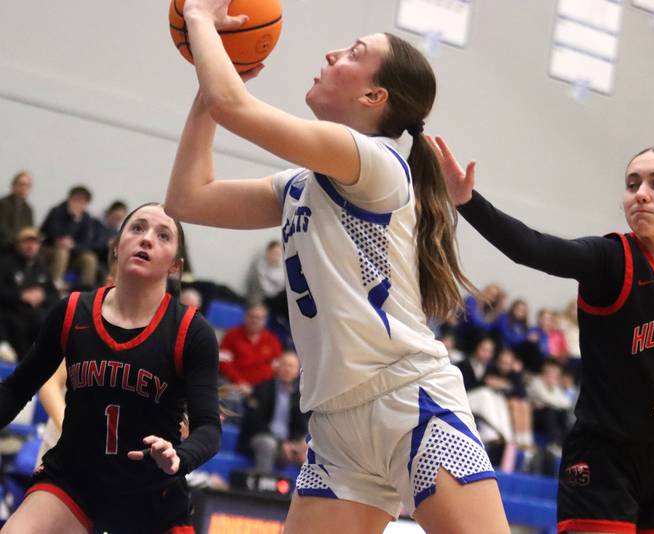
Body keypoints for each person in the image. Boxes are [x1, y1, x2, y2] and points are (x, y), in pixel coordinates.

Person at [166, 3, 508, 532]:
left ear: (374, 97)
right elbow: (188, 199)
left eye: (353, 53)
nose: (331, 53)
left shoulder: (373, 160)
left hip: (410, 402)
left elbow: (234, 105)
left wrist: (204, 27)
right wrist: (205, 93)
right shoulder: (300, 183)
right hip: (334, 424)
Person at [429, 137, 654, 534]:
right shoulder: (610, 259)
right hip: (605, 458)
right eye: (632, 184)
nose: (640, 194)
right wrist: (468, 202)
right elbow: (531, 248)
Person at [0, 203, 221, 533]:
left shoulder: (192, 331)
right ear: (116, 246)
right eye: (137, 228)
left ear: (175, 265)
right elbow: (17, 388)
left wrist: (180, 456)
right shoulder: (73, 311)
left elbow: (209, 428)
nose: (147, 239)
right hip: (73, 482)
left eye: (163, 235)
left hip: (151, 496)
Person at [237, 351, 308, 473]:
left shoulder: (300, 396)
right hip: (260, 438)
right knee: (268, 444)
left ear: (297, 371)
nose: (287, 369)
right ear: (277, 367)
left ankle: (305, 490)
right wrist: (281, 443)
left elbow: (301, 426)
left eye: (291, 366)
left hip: (287, 444)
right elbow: (255, 423)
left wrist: (295, 443)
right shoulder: (262, 388)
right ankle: (264, 488)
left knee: (308, 450)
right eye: (284, 365)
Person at [0, 227, 59, 359]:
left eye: (35, 243)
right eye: (26, 242)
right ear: (17, 244)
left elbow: (54, 296)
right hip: (12, 317)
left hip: (36, 320)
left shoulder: (42, 268)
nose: (31, 246)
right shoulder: (5, 264)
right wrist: (21, 296)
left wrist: (42, 296)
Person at [39, 185, 98, 290]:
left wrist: (73, 245)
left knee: (90, 258)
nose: (78, 204)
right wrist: (72, 220)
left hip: (73, 252)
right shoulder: (57, 211)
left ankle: (85, 290)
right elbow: (49, 231)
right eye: (76, 200)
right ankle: (55, 287)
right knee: (62, 252)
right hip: (51, 248)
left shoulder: (86, 218)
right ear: (69, 199)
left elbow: (86, 243)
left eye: (82, 201)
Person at [218, 303, 283, 395]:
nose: (255, 320)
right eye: (252, 316)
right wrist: (240, 382)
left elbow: (276, 367)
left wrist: (260, 387)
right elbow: (223, 363)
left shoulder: (272, 340)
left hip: (262, 389)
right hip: (233, 384)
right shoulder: (232, 335)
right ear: (245, 317)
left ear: (265, 321)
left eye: (259, 318)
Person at [0, 171, 34, 252]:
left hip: (23, 246)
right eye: (21, 184)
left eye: (27, 185)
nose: (24, 188)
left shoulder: (28, 209)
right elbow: (2, 229)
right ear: (13, 186)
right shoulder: (3, 204)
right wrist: (18, 241)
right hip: (6, 244)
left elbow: (29, 230)